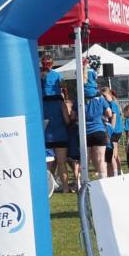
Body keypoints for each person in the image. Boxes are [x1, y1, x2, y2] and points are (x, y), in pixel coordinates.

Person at [41, 55, 72, 192]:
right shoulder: (61, 102)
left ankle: (47, 189)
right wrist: (69, 122)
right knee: (61, 162)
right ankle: (65, 188)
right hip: (60, 132)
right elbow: (66, 119)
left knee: (48, 163)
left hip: (45, 132)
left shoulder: (39, 103)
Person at [83, 64, 112, 179]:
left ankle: (84, 182)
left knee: (85, 160)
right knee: (101, 159)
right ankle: (103, 181)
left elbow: (74, 115)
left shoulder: (79, 96)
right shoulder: (100, 97)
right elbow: (109, 113)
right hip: (98, 130)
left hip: (85, 132)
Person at [102, 87, 123, 176]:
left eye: (104, 96)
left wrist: (111, 128)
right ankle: (118, 171)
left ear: (109, 94)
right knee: (114, 153)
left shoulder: (112, 103)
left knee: (113, 154)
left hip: (115, 131)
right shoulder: (109, 103)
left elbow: (114, 116)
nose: (102, 98)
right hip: (114, 131)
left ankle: (116, 172)